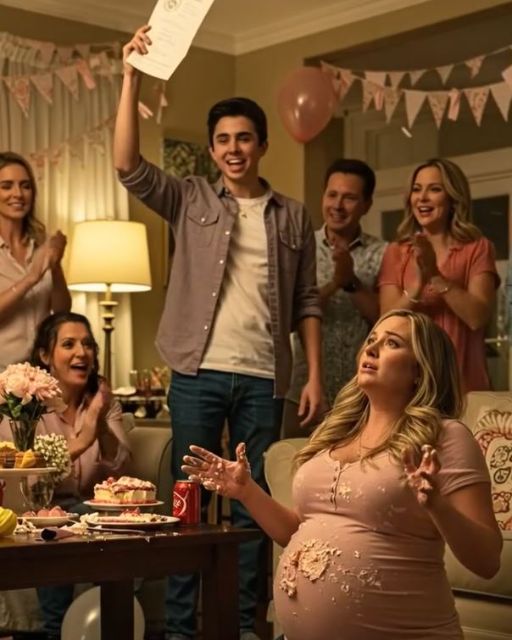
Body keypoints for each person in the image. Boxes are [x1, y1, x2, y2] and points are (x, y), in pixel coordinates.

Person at [113, 26, 323, 640]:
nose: (234, 149)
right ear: (212, 149)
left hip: (263, 377)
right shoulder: (190, 198)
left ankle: (243, 626)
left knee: (253, 505)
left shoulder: (292, 215)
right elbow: (127, 166)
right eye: (224, 140)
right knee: (189, 501)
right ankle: (183, 629)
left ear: (262, 145)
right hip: (197, 372)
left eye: (244, 138)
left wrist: (313, 373)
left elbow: (307, 300)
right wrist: (130, 76)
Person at [182, 309, 502, 640]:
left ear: (420, 371)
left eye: (392, 343)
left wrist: (438, 506)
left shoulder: (445, 437)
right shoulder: (335, 435)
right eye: (372, 339)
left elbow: (487, 560)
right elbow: (299, 533)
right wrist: (247, 491)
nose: (372, 348)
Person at [0, 311, 131, 638]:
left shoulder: (102, 402)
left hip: (90, 512)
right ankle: (55, 630)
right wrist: (82, 440)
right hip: (32, 513)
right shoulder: (24, 405)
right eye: (69, 344)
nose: (81, 353)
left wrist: (100, 426)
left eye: (87, 344)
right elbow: (24, 476)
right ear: (45, 356)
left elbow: (122, 471)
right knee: (57, 527)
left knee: (89, 516)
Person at [379, 157, 499, 392]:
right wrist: (417, 286)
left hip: (464, 384)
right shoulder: (396, 251)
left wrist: (435, 275)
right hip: (410, 385)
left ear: (453, 198)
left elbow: (477, 317)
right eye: (416, 189)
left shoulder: (477, 248)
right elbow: (386, 322)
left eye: (434, 189)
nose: (422, 198)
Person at [285, 159, 386, 436]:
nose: (338, 206)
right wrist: (333, 285)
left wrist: (351, 282)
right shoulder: (301, 246)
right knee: (293, 460)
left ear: (367, 204)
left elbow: (385, 318)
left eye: (349, 198)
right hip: (303, 391)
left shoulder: (382, 252)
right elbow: (290, 317)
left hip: (362, 395)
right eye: (332, 195)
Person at [0, 151, 71, 369]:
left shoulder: (42, 244)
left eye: (26, 186)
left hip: (40, 372)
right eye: (6, 186)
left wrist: (55, 266)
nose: (18, 194)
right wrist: (31, 278)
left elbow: (62, 311)